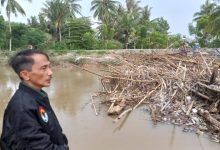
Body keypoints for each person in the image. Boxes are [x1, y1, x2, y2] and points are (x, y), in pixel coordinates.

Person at [0, 49, 69, 150]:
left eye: (49, 66)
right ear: (25, 75)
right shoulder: (22, 108)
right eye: (44, 68)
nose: (50, 72)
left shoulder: (38, 96)